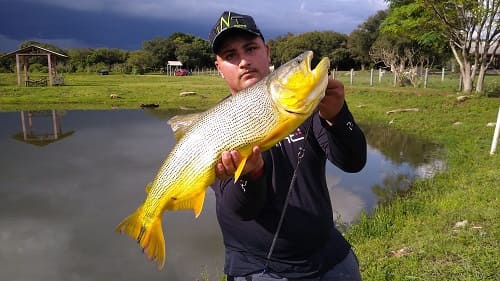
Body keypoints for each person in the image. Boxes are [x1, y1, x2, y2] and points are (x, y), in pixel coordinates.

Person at [209, 11, 367, 281]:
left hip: (330, 258)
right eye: (231, 55)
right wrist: (252, 176)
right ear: (219, 68)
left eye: (251, 48)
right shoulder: (217, 127)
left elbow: (353, 162)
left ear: (267, 52)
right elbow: (241, 210)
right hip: (261, 270)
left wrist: (338, 118)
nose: (244, 60)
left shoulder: (306, 105)